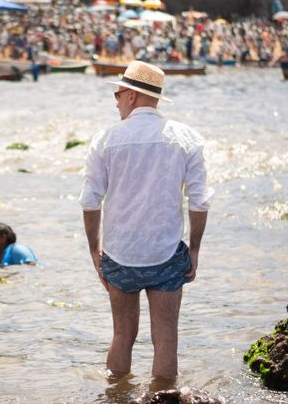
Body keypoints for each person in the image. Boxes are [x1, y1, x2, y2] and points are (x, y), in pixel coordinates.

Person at [79, 60, 211, 383]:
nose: (115, 101)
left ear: (133, 97)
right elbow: (199, 202)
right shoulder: (187, 139)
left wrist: (95, 251)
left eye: (117, 94)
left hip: (120, 254)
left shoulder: (105, 140)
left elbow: (90, 201)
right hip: (166, 254)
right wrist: (194, 251)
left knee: (123, 335)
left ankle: (115, 401)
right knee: (166, 338)